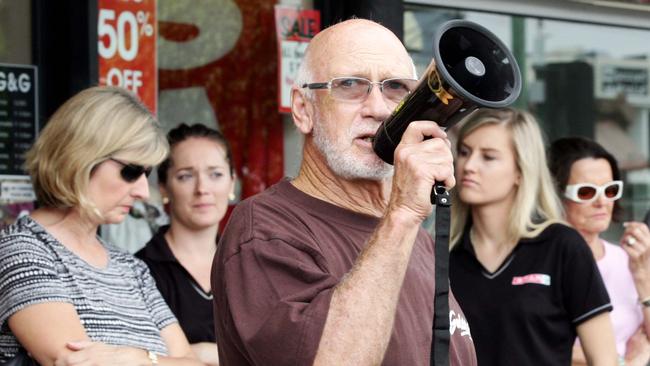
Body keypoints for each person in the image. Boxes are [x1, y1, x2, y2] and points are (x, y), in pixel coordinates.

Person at [212, 18, 477, 366]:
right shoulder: (263, 230)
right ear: (303, 110)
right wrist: (402, 216)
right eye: (350, 85)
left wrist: (402, 219)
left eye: (396, 87)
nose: (380, 109)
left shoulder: (412, 236)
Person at [0, 86, 203, 365]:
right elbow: (73, 362)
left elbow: (193, 363)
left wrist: (137, 359)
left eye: (147, 173)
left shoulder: (130, 268)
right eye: (131, 171)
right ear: (81, 157)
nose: (143, 191)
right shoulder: (22, 250)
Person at [448, 108, 617, 366]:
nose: (469, 166)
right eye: (464, 152)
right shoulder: (441, 254)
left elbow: (605, 360)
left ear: (520, 170)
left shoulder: (563, 246)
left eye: (489, 157)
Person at [137, 123, 236, 366]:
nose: (203, 189)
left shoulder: (250, 264)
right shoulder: (139, 271)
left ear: (232, 183)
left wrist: (203, 353)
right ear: (163, 188)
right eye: (186, 176)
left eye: (216, 174)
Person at [548, 136, 650, 366]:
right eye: (586, 192)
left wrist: (643, 277)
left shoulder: (629, 258)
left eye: (611, 190)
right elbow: (540, 341)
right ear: (556, 194)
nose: (602, 201)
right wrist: (625, 362)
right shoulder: (541, 261)